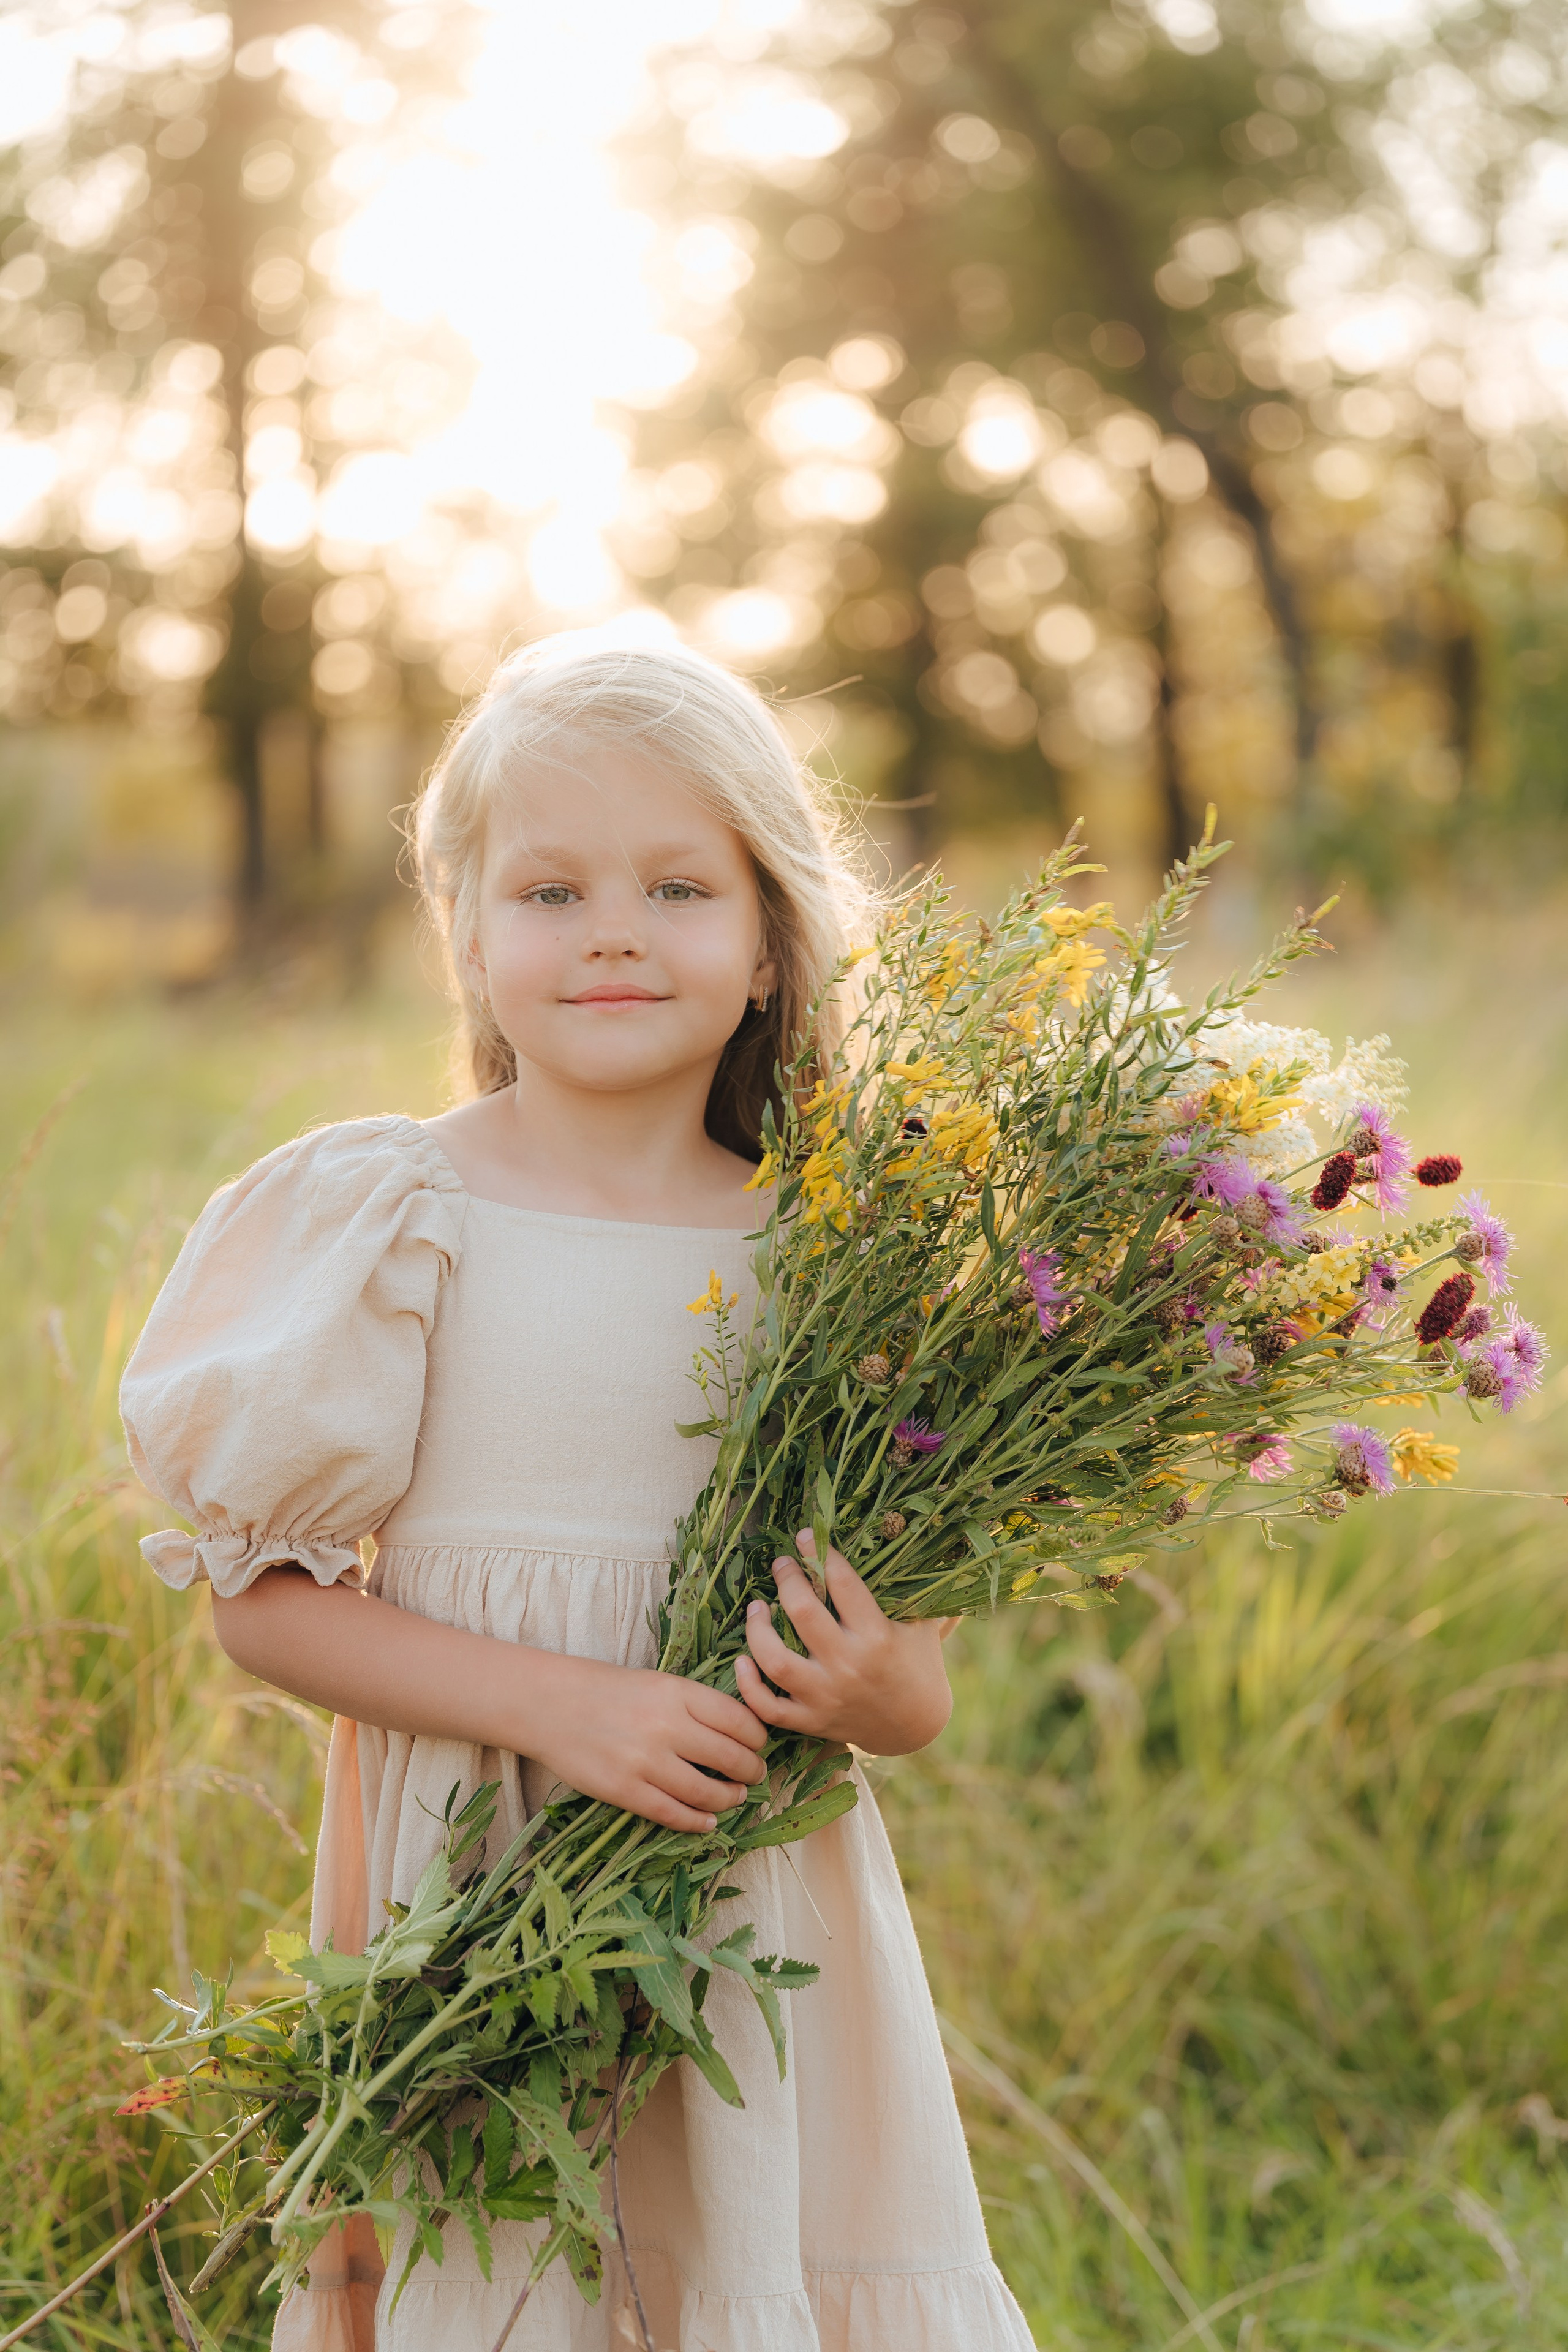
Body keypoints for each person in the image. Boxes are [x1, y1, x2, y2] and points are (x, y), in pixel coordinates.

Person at [121, 637, 1036, 2352]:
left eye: (678, 886)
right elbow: (266, 1606)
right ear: (466, 934)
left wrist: (872, 1684)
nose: (613, 929)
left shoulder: (839, 1255)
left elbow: (916, 1688)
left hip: (750, 1900)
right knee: (508, 2273)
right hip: (479, 1882)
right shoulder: (395, 1213)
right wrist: (565, 1708)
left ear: (768, 944)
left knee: (740, 2264)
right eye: (550, 889)